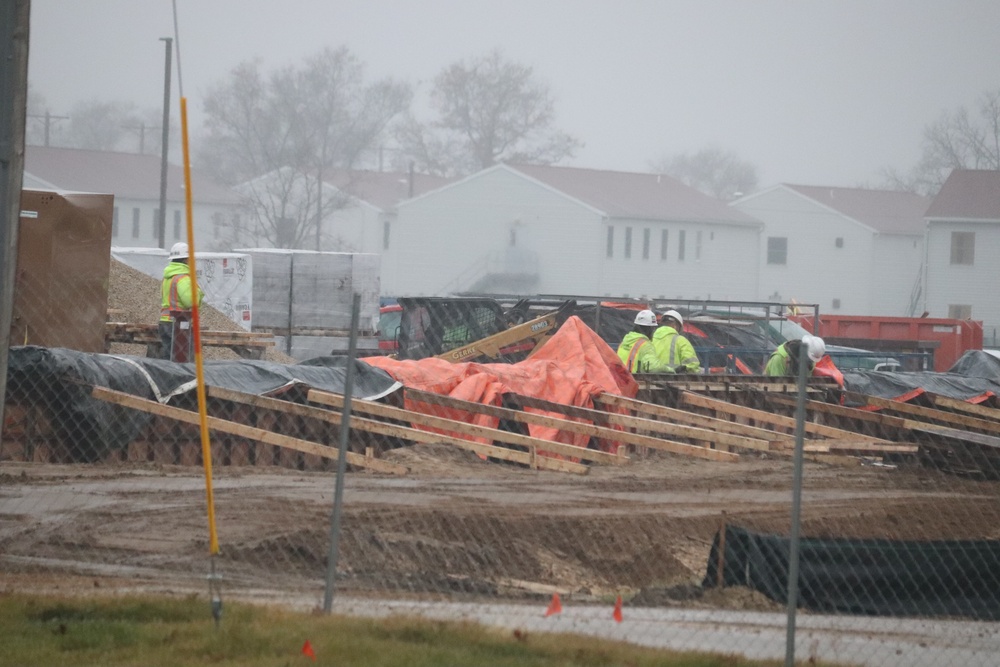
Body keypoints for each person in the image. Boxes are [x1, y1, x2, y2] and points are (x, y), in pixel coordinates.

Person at [159, 242, 204, 360]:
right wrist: (199, 292)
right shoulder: (183, 278)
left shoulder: (168, 277)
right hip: (180, 324)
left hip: (166, 322)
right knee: (183, 360)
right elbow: (191, 302)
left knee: (168, 358)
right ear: (186, 260)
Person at [617, 309, 673, 374]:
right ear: (649, 329)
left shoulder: (625, 341)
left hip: (620, 380)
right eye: (653, 328)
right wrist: (670, 370)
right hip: (634, 381)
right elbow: (653, 367)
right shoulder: (645, 345)